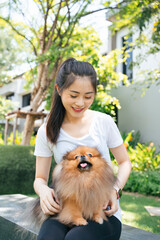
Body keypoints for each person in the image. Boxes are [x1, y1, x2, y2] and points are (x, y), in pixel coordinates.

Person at [34, 58, 132, 240]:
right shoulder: (46, 130)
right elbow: (40, 178)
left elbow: (125, 162)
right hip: (66, 210)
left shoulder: (104, 122)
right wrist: (44, 191)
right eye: (73, 95)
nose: (80, 103)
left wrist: (115, 190)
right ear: (59, 89)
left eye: (88, 96)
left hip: (103, 213)